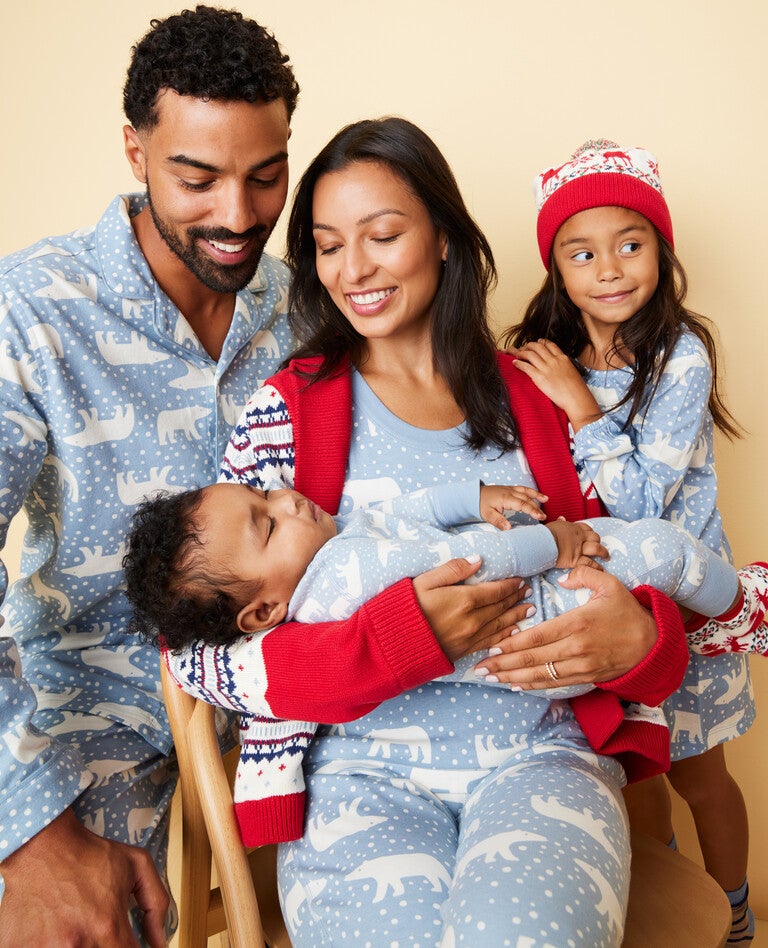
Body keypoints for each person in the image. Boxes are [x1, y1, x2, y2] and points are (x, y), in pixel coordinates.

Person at [0, 10, 541, 945]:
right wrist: (29, 832)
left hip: (317, 706)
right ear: (134, 150)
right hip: (94, 713)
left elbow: (442, 444)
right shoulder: (33, 313)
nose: (240, 216)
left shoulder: (316, 300)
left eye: (266, 175)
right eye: (197, 178)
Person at [166, 116, 694, 945]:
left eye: (382, 235)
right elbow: (197, 645)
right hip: (357, 777)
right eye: (329, 245)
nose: (354, 269)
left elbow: (654, 557)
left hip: (544, 758)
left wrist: (644, 641)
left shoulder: (545, 392)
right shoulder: (287, 414)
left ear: (444, 238)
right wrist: (391, 643)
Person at [128, 477, 767, 848]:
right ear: (262, 613)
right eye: (268, 525)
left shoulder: (333, 550)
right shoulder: (343, 575)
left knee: (660, 587)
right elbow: (479, 564)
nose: (290, 500)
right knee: (666, 549)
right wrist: (553, 539)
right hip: (543, 601)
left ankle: (716, 620)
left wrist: (471, 495)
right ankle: (744, 610)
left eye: (267, 493)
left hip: (546, 662)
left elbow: (395, 515)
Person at [502, 138, 758, 943]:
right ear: (558, 269)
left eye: (631, 245)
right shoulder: (546, 356)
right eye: (583, 253)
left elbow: (642, 497)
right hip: (611, 606)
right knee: (636, 771)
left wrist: (580, 406)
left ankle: (735, 910)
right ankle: (670, 908)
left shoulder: (679, 356)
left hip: (690, 605)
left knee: (702, 774)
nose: (609, 269)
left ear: (661, 250)